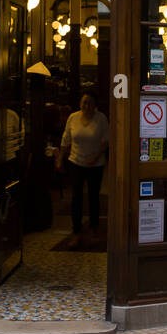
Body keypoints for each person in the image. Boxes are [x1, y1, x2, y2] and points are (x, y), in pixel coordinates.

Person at [57, 92, 109, 246]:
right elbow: (66, 139)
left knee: (93, 196)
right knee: (76, 198)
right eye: (84, 102)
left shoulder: (101, 119)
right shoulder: (73, 117)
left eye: (90, 103)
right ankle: (76, 232)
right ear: (80, 103)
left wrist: (96, 156)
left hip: (95, 164)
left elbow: (107, 140)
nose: (86, 106)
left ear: (95, 105)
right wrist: (60, 159)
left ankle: (94, 228)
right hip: (76, 161)